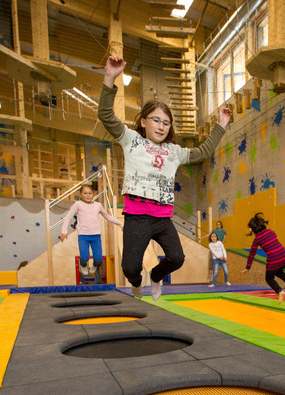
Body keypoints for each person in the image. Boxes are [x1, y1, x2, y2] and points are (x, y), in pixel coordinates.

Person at [99, 54, 232, 300]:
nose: (161, 127)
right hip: (137, 216)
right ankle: (138, 282)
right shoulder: (132, 140)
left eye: (166, 123)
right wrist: (110, 77)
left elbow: (203, 151)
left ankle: (157, 276)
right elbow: (106, 115)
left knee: (177, 258)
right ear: (143, 121)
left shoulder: (174, 152)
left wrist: (221, 124)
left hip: (161, 217)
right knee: (130, 268)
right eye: (156, 120)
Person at [59, 183, 123, 284]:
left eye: (90, 193)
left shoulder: (98, 205)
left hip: (96, 235)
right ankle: (83, 265)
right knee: (84, 257)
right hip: (83, 235)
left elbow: (108, 217)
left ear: (93, 194)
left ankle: (94, 266)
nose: (88, 195)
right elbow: (68, 218)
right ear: (81, 194)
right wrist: (64, 232)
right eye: (85, 193)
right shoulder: (78, 204)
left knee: (98, 259)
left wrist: (121, 224)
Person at [240, 213, 285, 304]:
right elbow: (275, 238)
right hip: (284, 256)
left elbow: (252, 254)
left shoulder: (257, 239)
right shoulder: (270, 231)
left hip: (274, 258)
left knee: (269, 278)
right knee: (277, 270)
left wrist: (248, 267)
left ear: (253, 230)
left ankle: (280, 291)